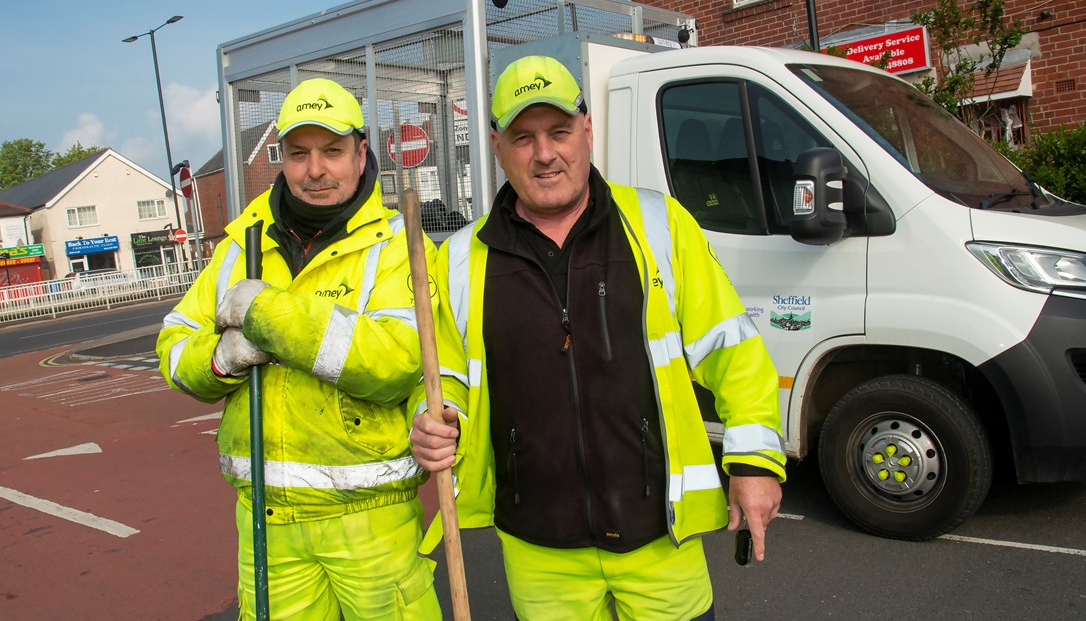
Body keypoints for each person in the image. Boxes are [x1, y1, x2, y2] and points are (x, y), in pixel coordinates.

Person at [411, 55, 786, 619]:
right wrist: (439, 421)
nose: (544, 154)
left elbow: (733, 350)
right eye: (523, 138)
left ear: (587, 130)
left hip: (658, 536)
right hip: (540, 547)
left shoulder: (658, 225)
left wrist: (754, 462)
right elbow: (450, 381)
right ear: (495, 144)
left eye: (560, 132)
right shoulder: (461, 259)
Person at [156, 77, 441, 620]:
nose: (315, 170)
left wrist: (266, 314)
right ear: (280, 160)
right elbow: (173, 349)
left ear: (361, 154)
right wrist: (221, 360)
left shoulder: (399, 245)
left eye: (332, 151)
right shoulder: (241, 245)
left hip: (372, 524)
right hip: (266, 525)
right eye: (298, 154)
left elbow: (396, 364)